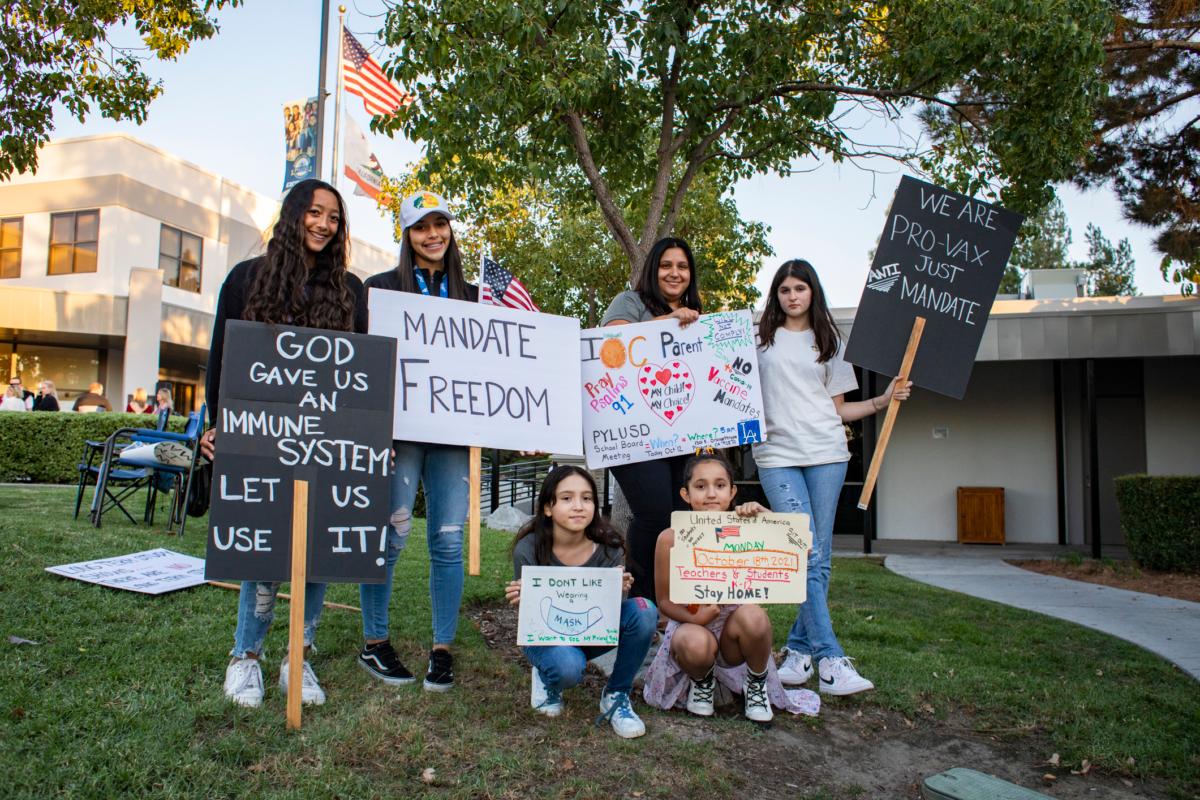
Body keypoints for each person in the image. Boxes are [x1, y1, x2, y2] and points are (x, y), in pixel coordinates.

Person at [201, 178, 367, 709]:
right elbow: (221, 359)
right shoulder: (245, 279)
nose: (323, 224)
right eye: (315, 213)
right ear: (294, 213)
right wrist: (217, 425)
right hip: (260, 441)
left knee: (318, 551)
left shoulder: (352, 292)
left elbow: (363, 375)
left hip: (327, 443)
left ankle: (300, 655)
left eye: (333, 218)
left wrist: (367, 440)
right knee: (261, 546)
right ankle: (244, 658)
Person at [753, 259, 911, 696]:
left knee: (818, 556)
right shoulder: (757, 341)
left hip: (826, 452)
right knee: (803, 548)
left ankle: (800, 654)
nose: (792, 296)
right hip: (777, 455)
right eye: (784, 289)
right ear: (776, 295)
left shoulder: (829, 341)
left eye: (799, 288)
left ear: (812, 292)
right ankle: (831, 659)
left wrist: (883, 399)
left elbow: (839, 408)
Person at [357, 191, 476, 692]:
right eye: (421, 227)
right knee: (391, 533)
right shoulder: (380, 290)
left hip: (453, 434)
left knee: (448, 539)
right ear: (407, 236)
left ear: (450, 230)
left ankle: (442, 650)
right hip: (400, 433)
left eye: (440, 224)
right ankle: (375, 642)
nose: (433, 235)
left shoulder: (474, 297)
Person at [642, 453, 820, 721]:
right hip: (692, 627)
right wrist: (696, 617)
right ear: (685, 494)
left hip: (734, 634)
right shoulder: (670, 538)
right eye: (700, 487)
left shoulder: (749, 527)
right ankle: (702, 681)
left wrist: (767, 517)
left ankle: (756, 682)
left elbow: (802, 551)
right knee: (693, 641)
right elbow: (664, 602)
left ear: (732, 491)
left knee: (755, 616)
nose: (711, 494)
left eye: (720, 485)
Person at [503, 466, 657, 738]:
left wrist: (617, 590)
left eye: (587, 498)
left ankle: (616, 694)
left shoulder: (610, 547)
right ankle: (545, 675)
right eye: (566, 498)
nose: (578, 506)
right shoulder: (528, 548)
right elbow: (533, 620)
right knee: (568, 668)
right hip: (546, 635)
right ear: (548, 508)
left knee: (644, 611)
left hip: (590, 630)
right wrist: (522, 599)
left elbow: (606, 616)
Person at [601, 236, 703, 602]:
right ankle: (641, 601)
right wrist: (667, 321)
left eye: (682, 266)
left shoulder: (696, 314)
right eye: (666, 265)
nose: (674, 273)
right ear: (652, 269)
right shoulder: (629, 301)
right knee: (654, 512)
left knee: (682, 515)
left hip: (679, 432)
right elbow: (610, 345)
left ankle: (676, 601)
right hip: (629, 431)